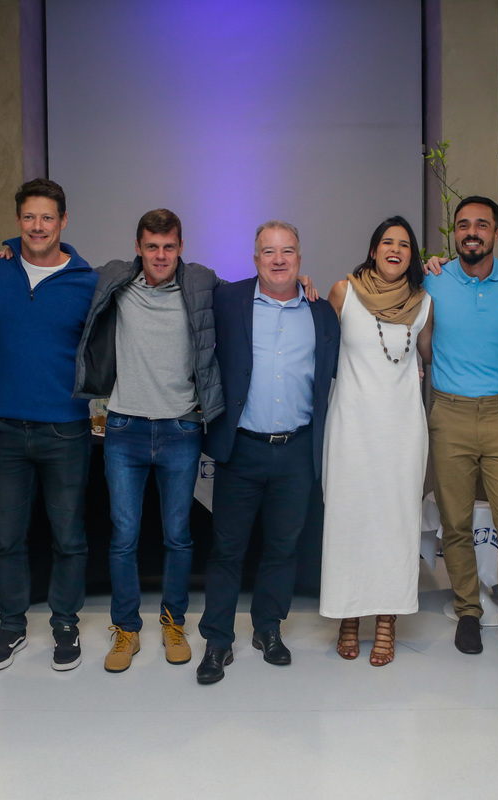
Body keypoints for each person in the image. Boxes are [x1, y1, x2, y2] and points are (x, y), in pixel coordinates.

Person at [73, 209, 223, 673]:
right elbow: (61, 265)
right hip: (125, 430)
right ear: (138, 247)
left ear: (181, 248)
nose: (160, 255)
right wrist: (15, 248)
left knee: (178, 537)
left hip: (181, 429)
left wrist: (302, 283)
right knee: (124, 537)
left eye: (169, 246)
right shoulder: (115, 279)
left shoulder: (201, 283)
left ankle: (173, 622)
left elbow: (249, 295)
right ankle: (126, 629)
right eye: (152, 246)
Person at [195, 221, 340, 684]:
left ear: (300, 257)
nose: (279, 260)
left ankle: (268, 629)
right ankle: (218, 640)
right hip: (241, 449)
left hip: (296, 450)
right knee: (227, 550)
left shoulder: (321, 313)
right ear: (255, 258)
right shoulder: (228, 299)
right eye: (269, 252)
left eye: (288, 251)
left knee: (282, 547)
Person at [0, 178, 98, 672]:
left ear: (63, 221)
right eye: (29, 217)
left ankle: (65, 623)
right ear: (17, 220)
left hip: (66, 429)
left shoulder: (88, 281)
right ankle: (11, 626)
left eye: (48, 217)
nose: (38, 226)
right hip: (3, 428)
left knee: (68, 537)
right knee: (7, 538)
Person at [423, 196, 498, 667]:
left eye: (482, 225)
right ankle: (468, 611)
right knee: (455, 524)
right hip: (448, 414)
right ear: (454, 232)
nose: (472, 232)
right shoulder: (433, 278)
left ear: (497, 233)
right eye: (463, 225)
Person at [320, 216, 433, 666]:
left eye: (404, 244)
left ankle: (387, 620)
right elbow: (318, 346)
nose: (395, 249)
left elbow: (429, 357)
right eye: (387, 242)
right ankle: (349, 616)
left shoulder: (424, 303)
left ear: (412, 256)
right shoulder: (343, 293)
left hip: (401, 432)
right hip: (351, 428)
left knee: (395, 525)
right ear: (373, 250)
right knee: (349, 522)